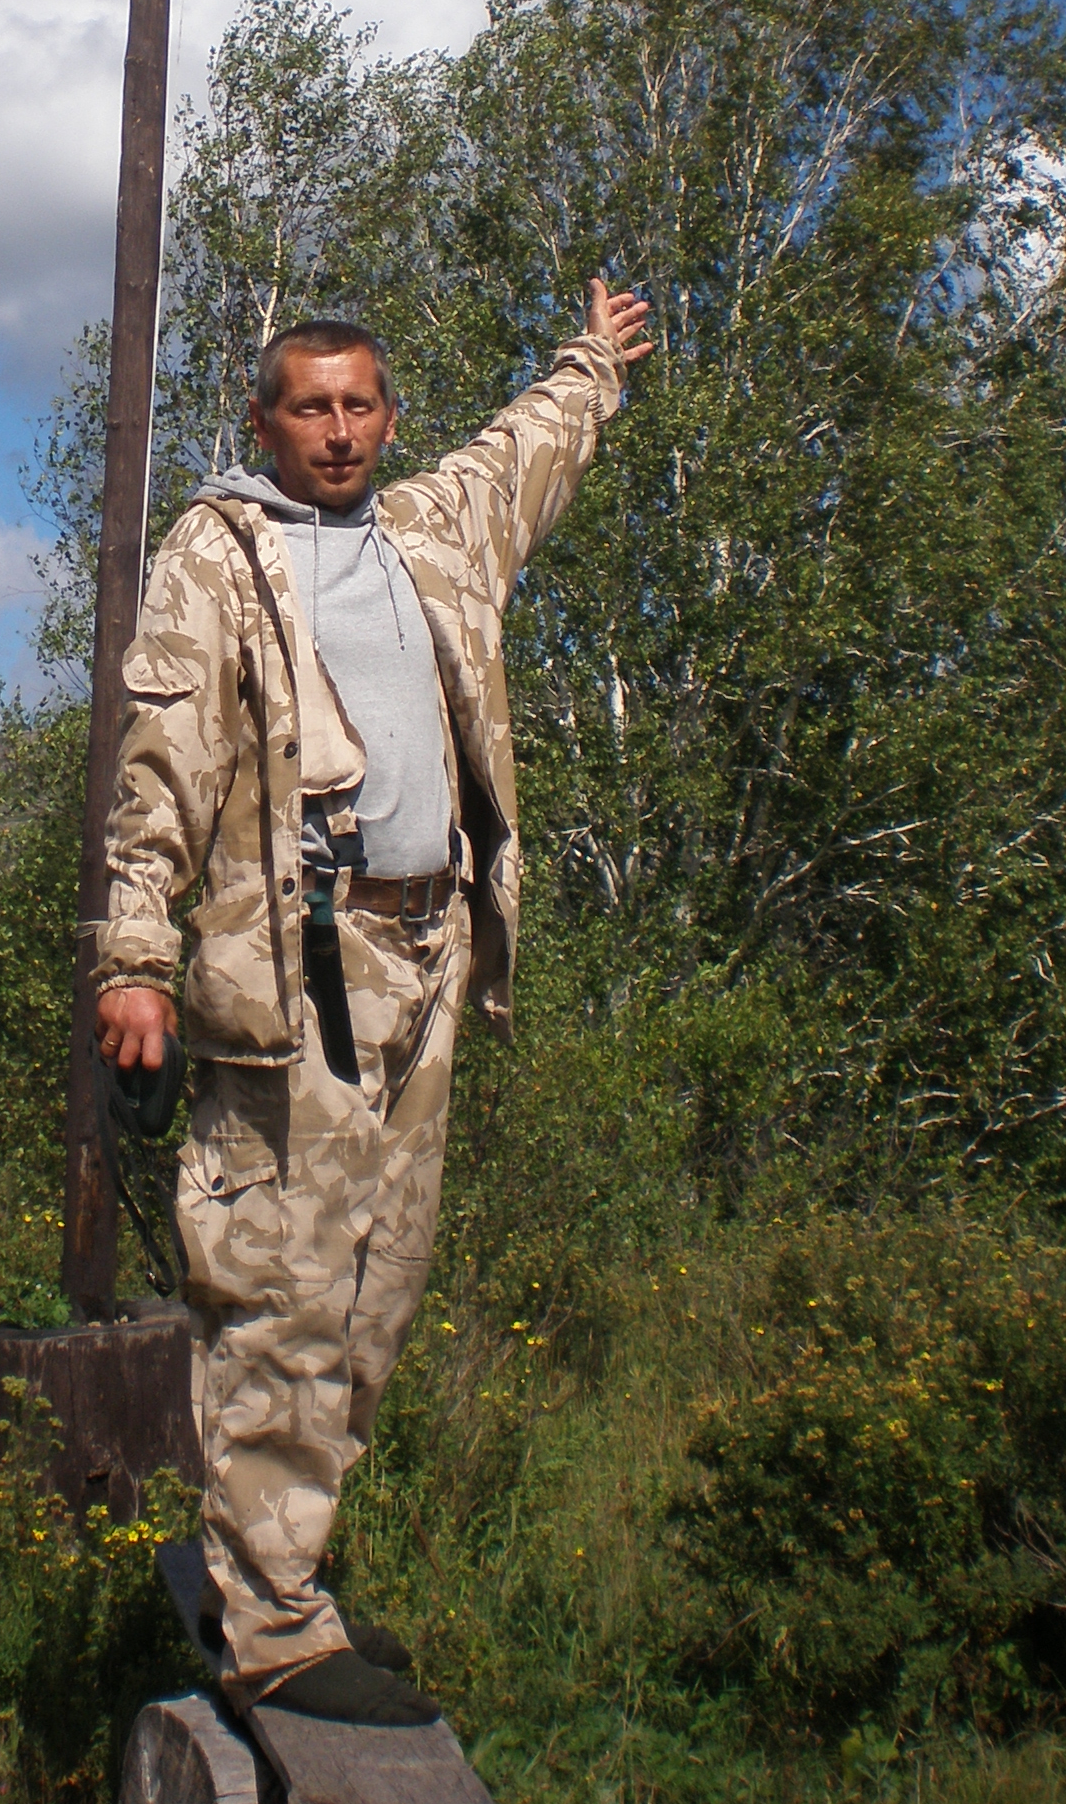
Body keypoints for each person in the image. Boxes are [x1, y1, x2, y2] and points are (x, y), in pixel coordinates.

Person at [95, 280, 654, 1723]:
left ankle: (271, 1571)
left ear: (385, 417)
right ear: (264, 422)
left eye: (359, 406)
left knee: (380, 1284)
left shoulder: (427, 534)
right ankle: (275, 1626)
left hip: (431, 957)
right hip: (296, 971)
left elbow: (526, 449)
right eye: (309, 407)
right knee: (281, 1284)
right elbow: (159, 770)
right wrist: (134, 965)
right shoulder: (218, 559)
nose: (337, 433)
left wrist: (594, 358)